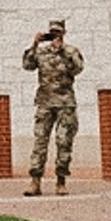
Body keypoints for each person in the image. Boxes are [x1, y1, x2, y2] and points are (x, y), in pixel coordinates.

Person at [21, 20, 82, 197]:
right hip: (45, 103)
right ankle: (35, 182)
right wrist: (34, 44)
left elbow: (78, 69)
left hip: (65, 104)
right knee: (40, 142)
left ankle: (61, 181)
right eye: (52, 33)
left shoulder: (71, 51)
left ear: (64, 33)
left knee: (64, 142)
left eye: (58, 33)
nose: (55, 36)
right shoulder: (41, 52)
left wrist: (62, 50)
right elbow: (27, 65)